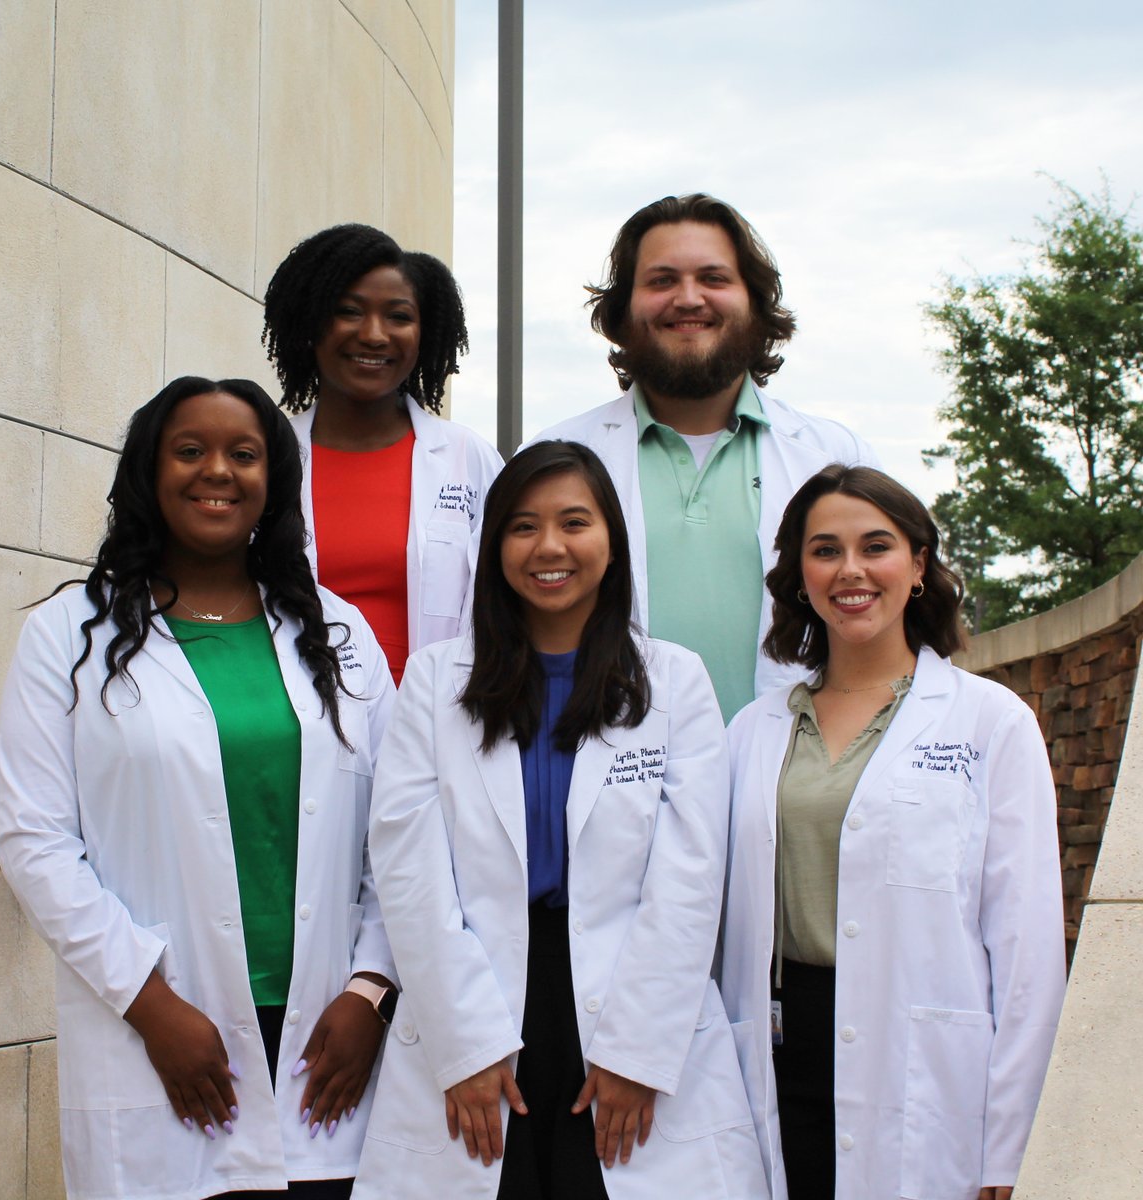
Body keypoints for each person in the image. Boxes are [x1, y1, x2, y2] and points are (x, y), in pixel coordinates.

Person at [0, 376, 398, 1199]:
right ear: (149, 471)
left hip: (326, 1042)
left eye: (243, 455)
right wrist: (152, 1008)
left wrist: (371, 991)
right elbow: (35, 844)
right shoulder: (66, 635)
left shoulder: (341, 634)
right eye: (190, 451)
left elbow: (398, 836)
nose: (217, 471)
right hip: (165, 1033)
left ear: (274, 482)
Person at [352, 441, 770, 1199]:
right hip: (475, 1001)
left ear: (611, 540)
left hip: (633, 1004)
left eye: (574, 522)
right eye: (522, 526)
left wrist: (641, 1050)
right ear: (495, 547)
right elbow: (409, 869)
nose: (549, 547)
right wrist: (463, 1044)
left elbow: (691, 876)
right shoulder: (435, 680)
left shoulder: (674, 680)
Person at [718, 464, 1066, 1200]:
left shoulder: (989, 722)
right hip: (777, 1054)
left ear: (918, 567)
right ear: (798, 575)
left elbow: (1028, 950)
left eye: (876, 546)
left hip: (924, 1072)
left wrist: (1008, 1149)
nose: (851, 570)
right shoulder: (753, 730)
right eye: (824, 550)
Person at [529, 193, 876, 718]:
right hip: (611, 778)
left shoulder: (834, 457)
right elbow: (497, 636)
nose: (688, 299)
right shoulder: (552, 459)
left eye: (713, 279)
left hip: (798, 781)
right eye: (661, 280)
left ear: (755, 304)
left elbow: (899, 626)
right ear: (622, 310)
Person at [262, 224, 503, 684]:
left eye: (398, 316)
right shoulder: (269, 456)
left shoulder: (467, 458)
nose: (374, 335)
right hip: (300, 721)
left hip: (433, 725)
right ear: (310, 322)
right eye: (348, 311)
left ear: (425, 333)